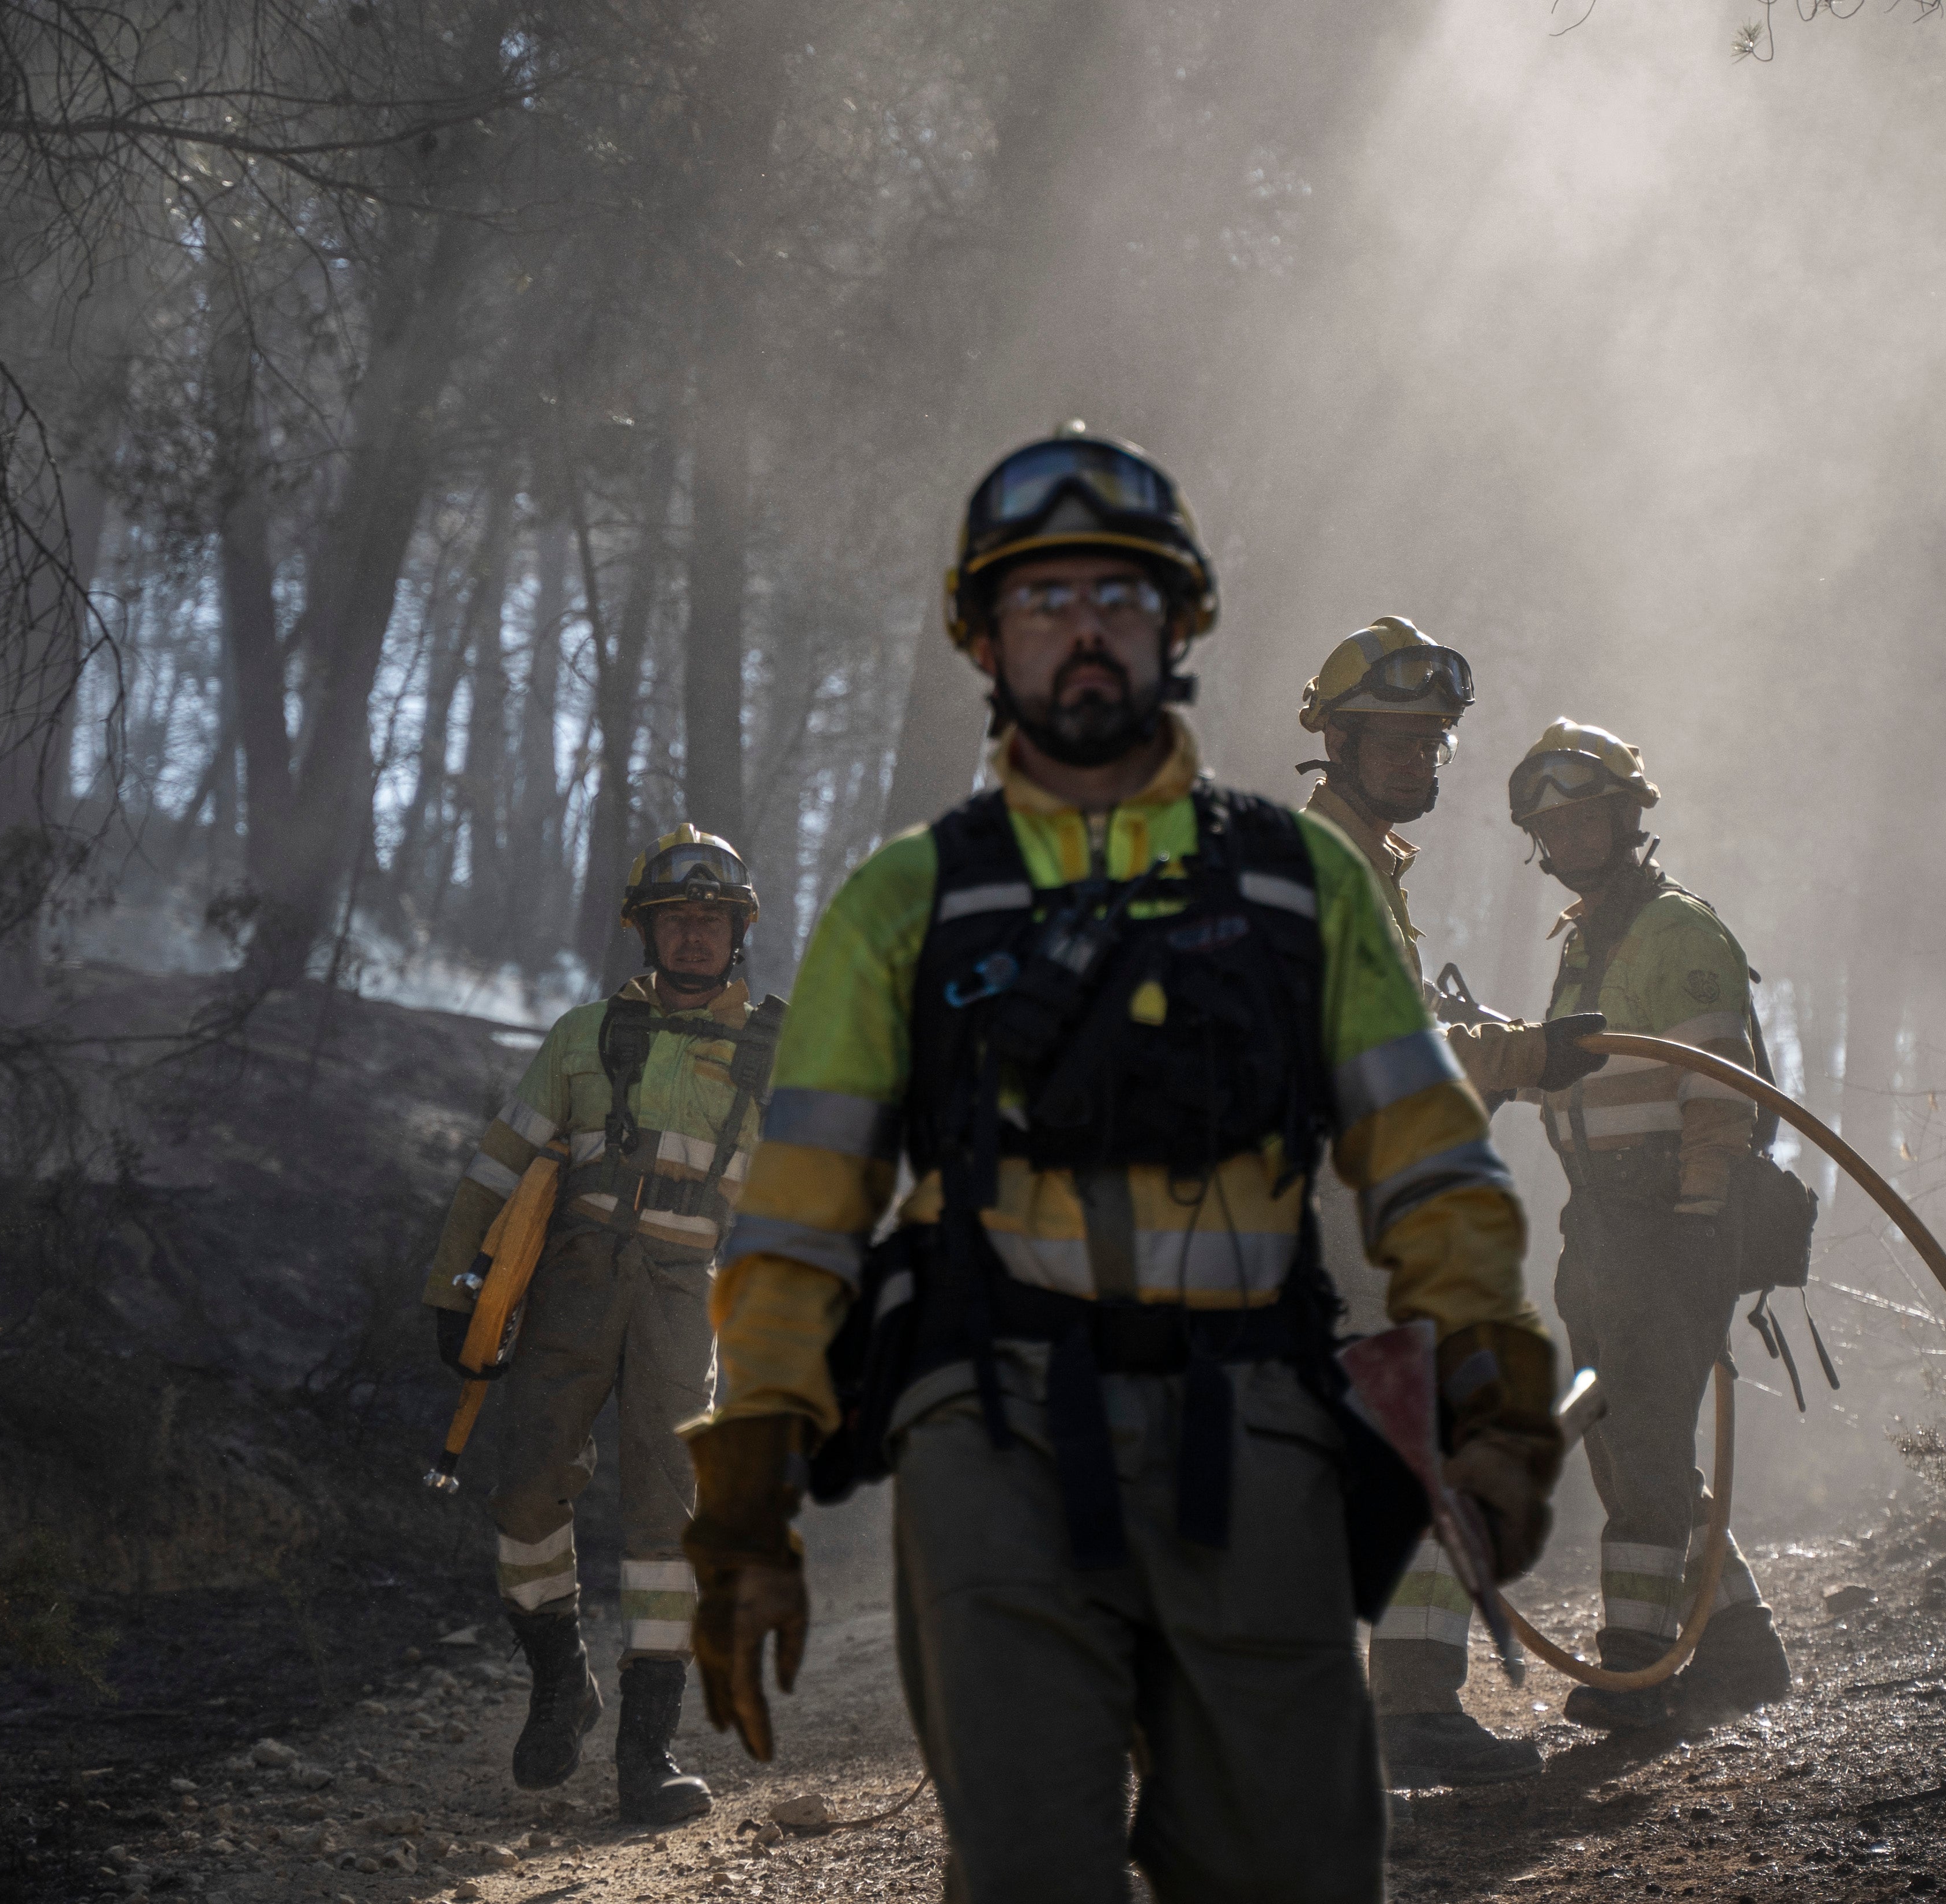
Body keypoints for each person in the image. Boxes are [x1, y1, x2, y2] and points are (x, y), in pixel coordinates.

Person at [679, 427, 1563, 1901]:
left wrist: (1488, 1363)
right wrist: (746, 1479)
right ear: (984, 637)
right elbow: (799, 1216)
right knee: (1032, 1854)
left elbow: (1426, 1152)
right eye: (1043, 601)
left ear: (1180, 630)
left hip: (1254, 1441)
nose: (1085, 633)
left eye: (1124, 600)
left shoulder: (1304, 882)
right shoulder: (906, 906)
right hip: (996, 1451)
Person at [1295, 618, 1609, 1786]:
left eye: (1435, 739)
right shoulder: (1329, 865)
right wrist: (1528, 1055)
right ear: (1335, 738)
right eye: (1395, 737)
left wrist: (1521, 1057)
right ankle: (1411, 1709)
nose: (1422, 757)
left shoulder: (1360, 865)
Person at [418, 830, 783, 1825]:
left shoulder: (776, 1056)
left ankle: (645, 1758)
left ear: (738, 931)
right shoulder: (581, 1037)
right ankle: (559, 1686)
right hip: (571, 1284)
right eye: (678, 920)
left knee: (668, 1523)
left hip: (682, 1296)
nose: (696, 936)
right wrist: (457, 1292)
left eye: (713, 919)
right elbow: (494, 1177)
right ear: (646, 934)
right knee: (526, 1487)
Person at [1506, 720, 1793, 1732]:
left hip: (1666, 1219)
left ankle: (1639, 1666)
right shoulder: (1588, 938)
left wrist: (1697, 1216)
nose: (1571, 837)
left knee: (1648, 1444)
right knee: (1625, 1445)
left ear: (1628, 818)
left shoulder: (1678, 934)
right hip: (1600, 1225)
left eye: (1587, 816)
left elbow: (1722, 1092)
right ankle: (1740, 1643)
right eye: (1554, 825)